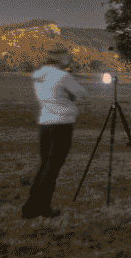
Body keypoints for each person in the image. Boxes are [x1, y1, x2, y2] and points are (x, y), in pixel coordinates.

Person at [23, 46, 88, 219]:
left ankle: (41, 206)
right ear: (61, 59)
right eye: (66, 57)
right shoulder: (62, 76)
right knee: (52, 167)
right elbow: (83, 93)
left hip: (45, 122)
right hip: (62, 123)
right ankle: (32, 207)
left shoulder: (39, 75)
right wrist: (71, 79)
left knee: (46, 165)